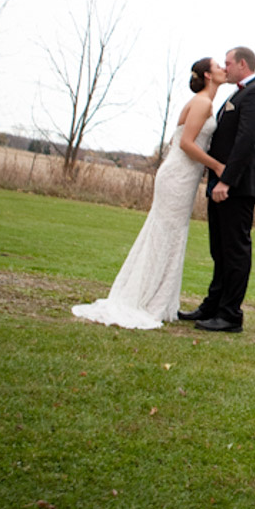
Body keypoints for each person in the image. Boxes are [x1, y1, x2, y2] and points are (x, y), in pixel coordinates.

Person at [71, 56, 228, 329]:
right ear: (207, 76)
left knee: (171, 234)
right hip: (177, 177)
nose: (224, 69)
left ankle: (160, 299)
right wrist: (217, 167)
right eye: (218, 66)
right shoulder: (202, 102)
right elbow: (187, 144)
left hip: (184, 177)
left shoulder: (206, 103)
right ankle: (145, 300)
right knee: (165, 234)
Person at [177, 46, 255, 333]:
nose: (225, 67)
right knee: (218, 249)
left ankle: (230, 315)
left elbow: (246, 141)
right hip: (220, 184)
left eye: (228, 63)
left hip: (237, 186)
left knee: (234, 250)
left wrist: (226, 181)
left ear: (242, 64)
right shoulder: (237, 94)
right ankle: (212, 305)